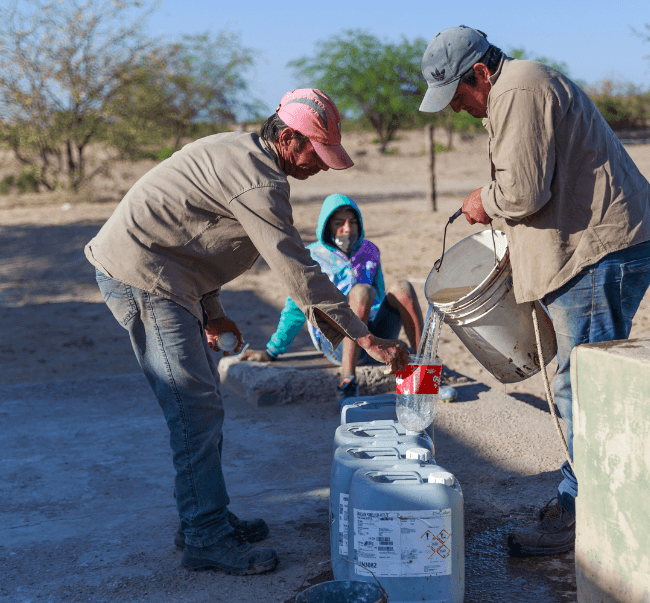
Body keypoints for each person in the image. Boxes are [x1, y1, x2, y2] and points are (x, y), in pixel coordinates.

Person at [85, 89, 409, 575]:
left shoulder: (243, 153)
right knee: (193, 407)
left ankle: (203, 515)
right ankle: (205, 535)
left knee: (200, 404)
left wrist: (212, 310)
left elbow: (189, 238)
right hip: (143, 279)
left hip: (165, 274)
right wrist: (364, 337)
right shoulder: (259, 182)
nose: (320, 166)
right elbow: (297, 270)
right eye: (316, 154)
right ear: (290, 138)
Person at [419, 27, 650, 557]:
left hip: (596, 256)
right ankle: (581, 497)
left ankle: (586, 517)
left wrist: (483, 201)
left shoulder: (518, 91)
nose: (459, 108)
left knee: (583, 391)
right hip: (594, 253)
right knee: (584, 386)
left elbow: (524, 191)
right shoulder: (515, 90)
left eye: (460, 95)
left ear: (480, 74)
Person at [243, 193, 425, 403]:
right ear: (327, 226)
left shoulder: (370, 250)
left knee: (402, 288)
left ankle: (423, 372)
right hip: (336, 341)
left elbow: (381, 294)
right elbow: (296, 308)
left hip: (373, 334)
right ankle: (347, 381)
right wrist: (272, 351)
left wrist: (382, 333)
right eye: (339, 223)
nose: (347, 229)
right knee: (360, 292)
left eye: (353, 222)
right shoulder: (310, 257)